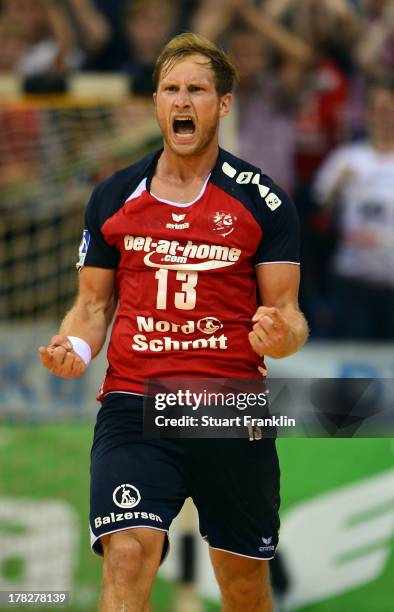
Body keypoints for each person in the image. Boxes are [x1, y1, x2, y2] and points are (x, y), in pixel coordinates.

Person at [39, 32, 308, 612]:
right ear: (156, 102)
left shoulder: (262, 200)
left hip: (228, 407)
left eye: (197, 90)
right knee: (128, 556)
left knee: (241, 586)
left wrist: (282, 337)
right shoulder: (114, 195)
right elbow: (91, 307)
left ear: (223, 103)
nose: (182, 101)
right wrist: (76, 349)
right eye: (170, 89)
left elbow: (287, 317)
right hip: (135, 401)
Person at [313, 79, 394, 339]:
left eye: (391, 109)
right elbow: (319, 218)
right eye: (379, 109)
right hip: (352, 281)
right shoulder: (345, 160)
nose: (385, 117)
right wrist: (336, 193)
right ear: (367, 114)